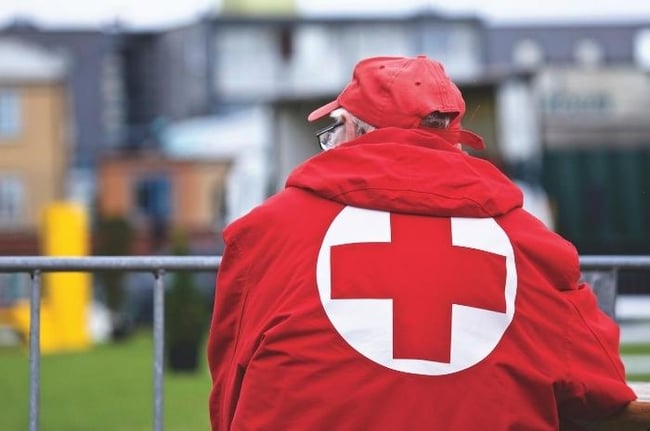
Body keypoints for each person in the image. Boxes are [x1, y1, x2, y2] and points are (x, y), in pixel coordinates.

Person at [207, 55, 649, 430]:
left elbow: (229, 391)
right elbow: (600, 385)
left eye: (332, 131)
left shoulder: (268, 232)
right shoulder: (532, 245)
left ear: (353, 130)